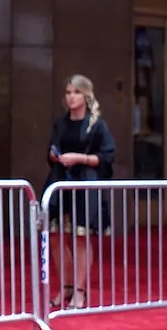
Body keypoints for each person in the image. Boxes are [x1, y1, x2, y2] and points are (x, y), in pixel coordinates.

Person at [45, 76, 115, 309]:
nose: (71, 96)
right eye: (67, 92)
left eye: (75, 92)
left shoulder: (96, 124)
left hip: (85, 182)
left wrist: (80, 158)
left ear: (86, 95)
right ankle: (65, 285)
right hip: (59, 180)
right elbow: (51, 149)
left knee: (80, 237)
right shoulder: (61, 123)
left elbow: (106, 156)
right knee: (54, 235)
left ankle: (80, 290)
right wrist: (55, 156)